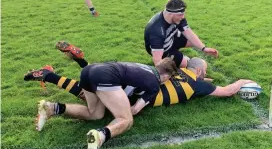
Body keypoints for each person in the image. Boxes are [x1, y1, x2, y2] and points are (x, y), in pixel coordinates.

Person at [27, 55, 177, 149]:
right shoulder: (155, 84)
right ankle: (100, 136)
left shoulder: (145, 67)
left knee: (95, 114)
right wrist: (122, 112)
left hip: (90, 70)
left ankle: (52, 108)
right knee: (127, 120)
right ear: (166, 76)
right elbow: (135, 110)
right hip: (107, 78)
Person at [24, 41, 255, 112]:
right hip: (136, 95)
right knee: (93, 100)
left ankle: (63, 70)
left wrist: (203, 77)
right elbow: (227, 91)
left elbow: (192, 75)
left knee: (93, 86)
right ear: (201, 73)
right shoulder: (196, 85)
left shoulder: (181, 72)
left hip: (128, 78)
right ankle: (53, 76)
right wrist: (244, 82)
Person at [145, 0, 219, 68]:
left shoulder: (177, 18)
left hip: (172, 37)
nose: (183, 17)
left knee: (193, 41)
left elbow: (189, 33)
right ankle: (179, 58)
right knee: (185, 64)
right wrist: (163, 75)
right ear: (171, 14)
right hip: (164, 48)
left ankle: (178, 54)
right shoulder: (156, 30)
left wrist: (204, 48)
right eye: (181, 14)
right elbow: (157, 61)